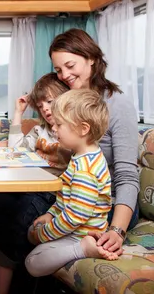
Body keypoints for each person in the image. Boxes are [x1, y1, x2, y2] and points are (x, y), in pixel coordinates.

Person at [0, 28, 139, 293]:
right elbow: (41, 142)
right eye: (59, 69)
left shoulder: (116, 105)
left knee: (16, 211)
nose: (64, 74)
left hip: (103, 201)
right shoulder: (66, 97)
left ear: (92, 59)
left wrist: (117, 230)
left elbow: (127, 177)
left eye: (70, 65)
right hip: (69, 189)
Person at [23, 89, 117, 283]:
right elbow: (66, 197)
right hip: (73, 229)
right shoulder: (83, 157)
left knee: (32, 262)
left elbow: (76, 215)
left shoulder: (85, 170)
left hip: (78, 234)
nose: (54, 129)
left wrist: (44, 234)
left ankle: (82, 249)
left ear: (83, 129)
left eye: (59, 124)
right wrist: (50, 214)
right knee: (28, 235)